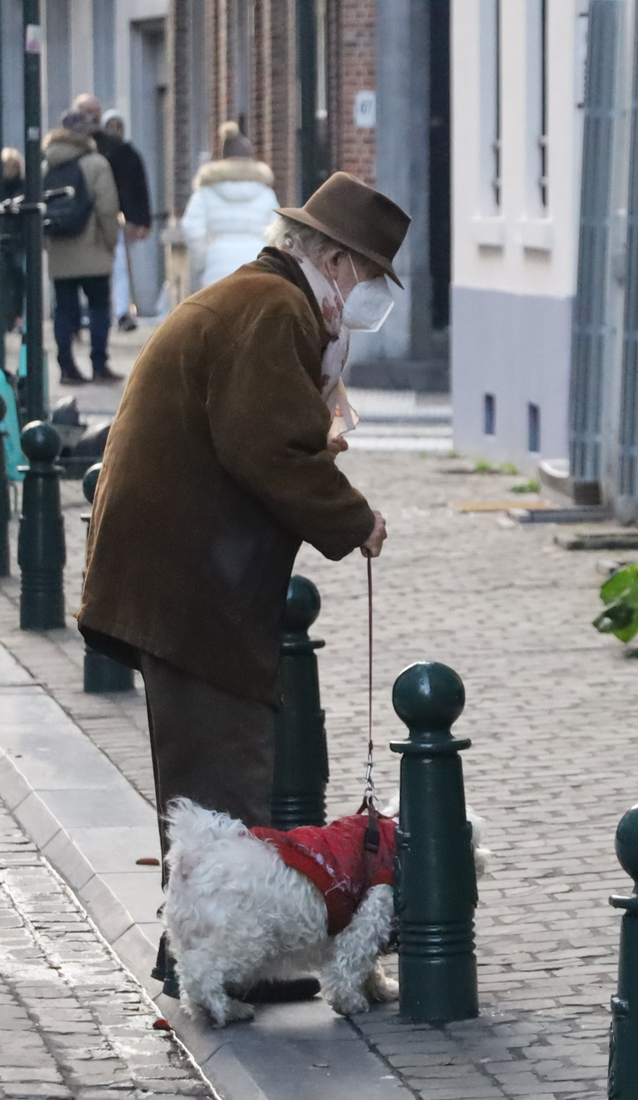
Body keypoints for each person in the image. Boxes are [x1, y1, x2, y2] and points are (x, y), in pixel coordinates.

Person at [78, 171, 409, 997]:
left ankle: (202, 952)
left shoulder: (262, 301)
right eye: (368, 278)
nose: (368, 299)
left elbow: (261, 434)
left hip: (180, 573)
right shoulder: (274, 310)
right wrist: (352, 519)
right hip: (190, 582)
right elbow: (270, 449)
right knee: (219, 778)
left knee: (204, 784)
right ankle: (226, 962)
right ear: (334, 259)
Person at [43, 109, 120, 384]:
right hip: (94, 249)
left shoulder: (46, 164)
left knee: (64, 309)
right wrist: (111, 242)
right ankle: (99, 364)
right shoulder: (96, 163)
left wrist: (46, 243)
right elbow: (107, 208)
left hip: (59, 249)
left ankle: (66, 367)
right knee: (99, 307)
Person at [74, 96, 152, 330]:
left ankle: (120, 313)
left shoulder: (116, 148)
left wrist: (137, 218)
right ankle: (78, 316)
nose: (93, 116)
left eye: (96, 111)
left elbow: (132, 182)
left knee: (117, 266)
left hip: (107, 218)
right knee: (79, 269)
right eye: (88, 111)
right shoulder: (68, 147)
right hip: (77, 221)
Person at [181, 121, 280, 287]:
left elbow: (191, 228)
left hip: (218, 268)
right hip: (257, 266)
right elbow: (277, 233)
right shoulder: (266, 193)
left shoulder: (206, 192)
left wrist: (205, 258)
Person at [0, 148, 25, 334]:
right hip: (4, 240)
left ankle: (16, 317)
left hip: (19, 240)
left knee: (19, 280)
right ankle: (7, 318)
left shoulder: (25, 186)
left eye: (13, 166)